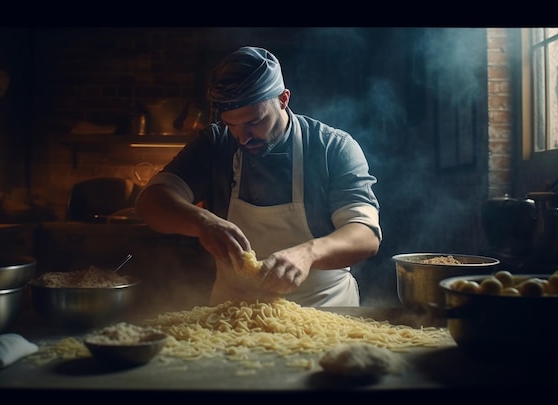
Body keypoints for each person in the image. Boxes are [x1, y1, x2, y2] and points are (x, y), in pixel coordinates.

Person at [135, 46, 382, 307]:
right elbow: (150, 202)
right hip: (235, 316)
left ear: (283, 99)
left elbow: (365, 234)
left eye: (255, 122)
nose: (243, 137)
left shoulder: (332, 147)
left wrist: (308, 254)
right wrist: (202, 222)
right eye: (232, 125)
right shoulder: (215, 143)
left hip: (326, 310)